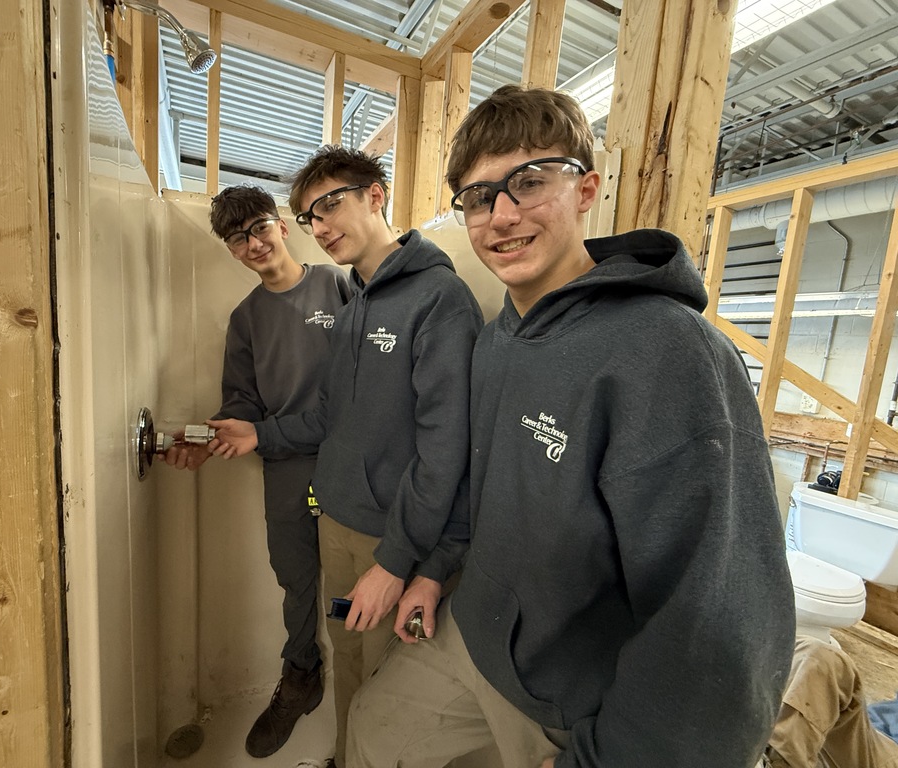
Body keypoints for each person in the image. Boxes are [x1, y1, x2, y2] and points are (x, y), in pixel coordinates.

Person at [346, 84, 796, 768]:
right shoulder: (499, 340)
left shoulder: (670, 355)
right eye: (477, 196)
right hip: (478, 638)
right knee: (372, 733)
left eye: (528, 183)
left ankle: (804, 725)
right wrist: (433, 572)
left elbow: (713, 627)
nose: (501, 215)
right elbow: (478, 478)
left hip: (577, 705)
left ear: (586, 190)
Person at [210, 146, 483, 767]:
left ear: (376, 194)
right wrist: (261, 437)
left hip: (391, 542)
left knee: (392, 686)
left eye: (331, 204)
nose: (322, 224)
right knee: (350, 657)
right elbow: (331, 415)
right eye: (311, 214)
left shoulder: (439, 300)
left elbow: (449, 450)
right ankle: (342, 756)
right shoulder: (356, 300)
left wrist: (397, 561)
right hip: (336, 525)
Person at [164, 184, 351, 759]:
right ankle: (301, 675)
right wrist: (213, 435)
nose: (253, 243)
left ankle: (368, 689)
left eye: (260, 228)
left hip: (348, 461)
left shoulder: (340, 285)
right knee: (295, 575)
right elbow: (242, 400)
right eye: (238, 238)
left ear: (283, 227)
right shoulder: (245, 319)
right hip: (287, 467)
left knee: (354, 579)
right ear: (230, 250)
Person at [761, 635, 898, 768]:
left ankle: (775, 758)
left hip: (883, 752)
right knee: (813, 656)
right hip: (849, 739)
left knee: (824, 658)